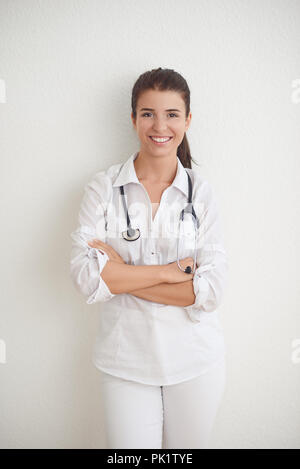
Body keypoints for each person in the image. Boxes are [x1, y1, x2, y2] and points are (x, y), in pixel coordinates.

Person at [70, 67, 228, 449]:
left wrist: (121, 275)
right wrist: (170, 273)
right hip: (125, 363)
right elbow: (87, 278)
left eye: (172, 114)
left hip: (195, 362)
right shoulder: (103, 188)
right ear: (133, 118)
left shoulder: (201, 193)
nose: (160, 125)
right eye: (148, 113)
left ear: (188, 120)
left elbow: (210, 290)